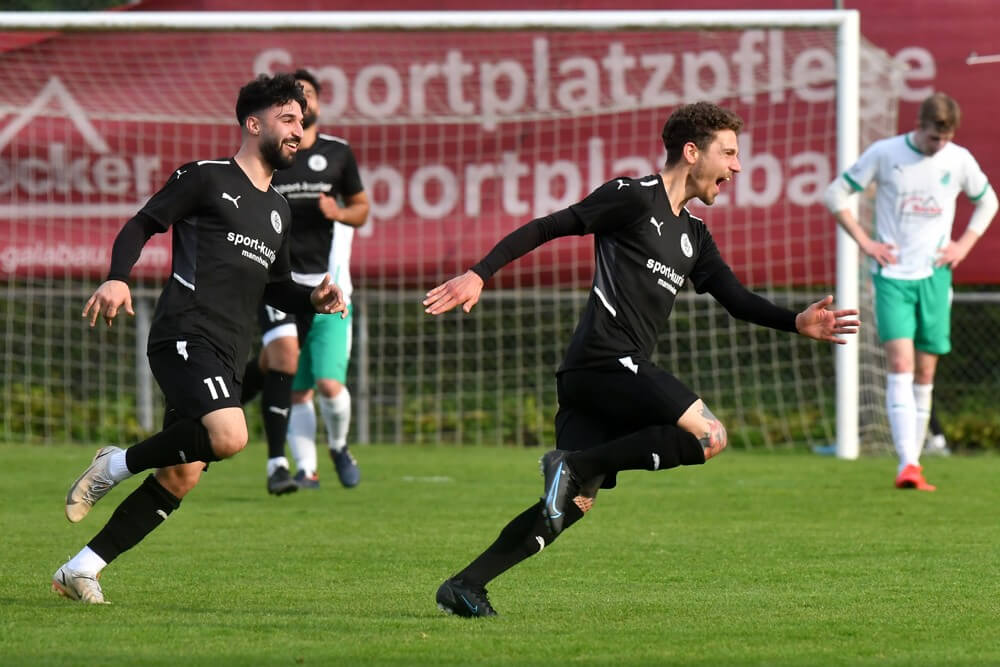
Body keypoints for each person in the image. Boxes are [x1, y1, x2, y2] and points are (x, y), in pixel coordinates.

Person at [423, 102, 861, 617]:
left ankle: (466, 585)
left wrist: (796, 322)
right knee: (710, 435)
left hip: (602, 377)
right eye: (729, 153)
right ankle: (575, 464)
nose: (737, 167)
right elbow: (548, 226)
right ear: (692, 152)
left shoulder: (695, 236)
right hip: (604, 360)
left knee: (568, 507)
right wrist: (479, 273)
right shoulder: (631, 197)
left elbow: (737, 300)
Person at [52, 73, 346, 604]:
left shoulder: (278, 209)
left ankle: (81, 568)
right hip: (185, 333)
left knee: (182, 475)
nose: (298, 130)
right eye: (287, 119)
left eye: (302, 122)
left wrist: (314, 301)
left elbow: (278, 288)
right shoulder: (207, 177)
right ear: (252, 123)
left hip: (229, 353)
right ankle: (114, 464)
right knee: (231, 436)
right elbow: (141, 224)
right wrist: (118, 276)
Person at [824, 92, 996, 491]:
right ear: (920, 126)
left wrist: (962, 247)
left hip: (935, 278)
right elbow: (836, 194)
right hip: (892, 276)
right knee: (900, 364)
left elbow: (988, 202)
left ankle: (915, 461)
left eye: (946, 138)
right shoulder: (886, 153)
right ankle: (909, 464)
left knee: (926, 371)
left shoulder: (959, 159)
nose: (940, 146)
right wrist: (866, 243)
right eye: (935, 137)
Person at [240, 69, 369, 494]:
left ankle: (339, 446)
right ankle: (298, 469)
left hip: (329, 287)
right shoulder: (272, 156)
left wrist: (339, 213)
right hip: (280, 282)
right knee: (289, 367)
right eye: (291, 105)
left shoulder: (337, 153)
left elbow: (361, 209)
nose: (301, 108)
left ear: (316, 104)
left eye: (307, 98)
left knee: (330, 385)